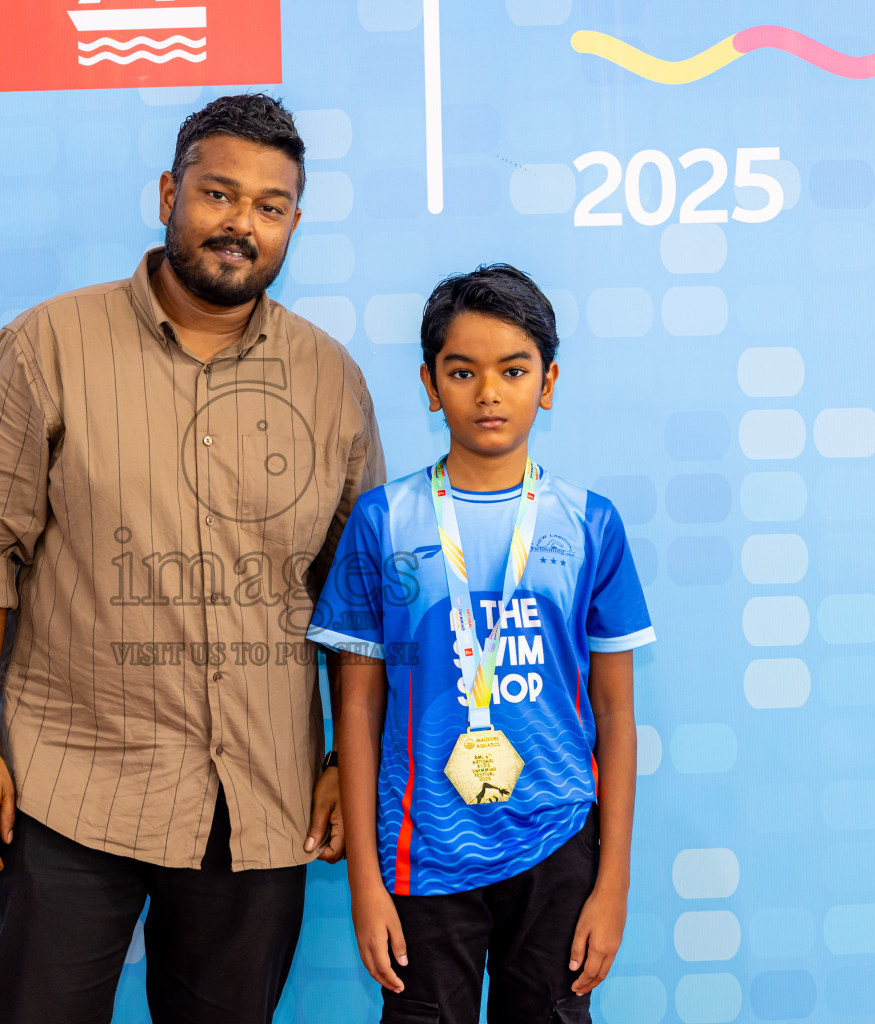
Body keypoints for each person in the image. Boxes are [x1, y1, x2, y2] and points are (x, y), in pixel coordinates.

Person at [0, 94, 385, 1024]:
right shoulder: (47, 346)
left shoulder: (331, 379)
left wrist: (346, 760)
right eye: (219, 194)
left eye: (271, 206)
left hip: (260, 802)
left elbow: (358, 596)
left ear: (294, 221)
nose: (241, 224)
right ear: (170, 193)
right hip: (68, 788)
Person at [307, 265, 654, 1023]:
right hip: (424, 847)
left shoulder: (590, 522)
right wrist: (366, 880)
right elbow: (358, 710)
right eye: (462, 372)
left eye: (513, 370)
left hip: (559, 839)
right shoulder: (384, 522)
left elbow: (616, 715)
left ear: (549, 382)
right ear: (431, 386)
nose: (488, 392)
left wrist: (613, 881)